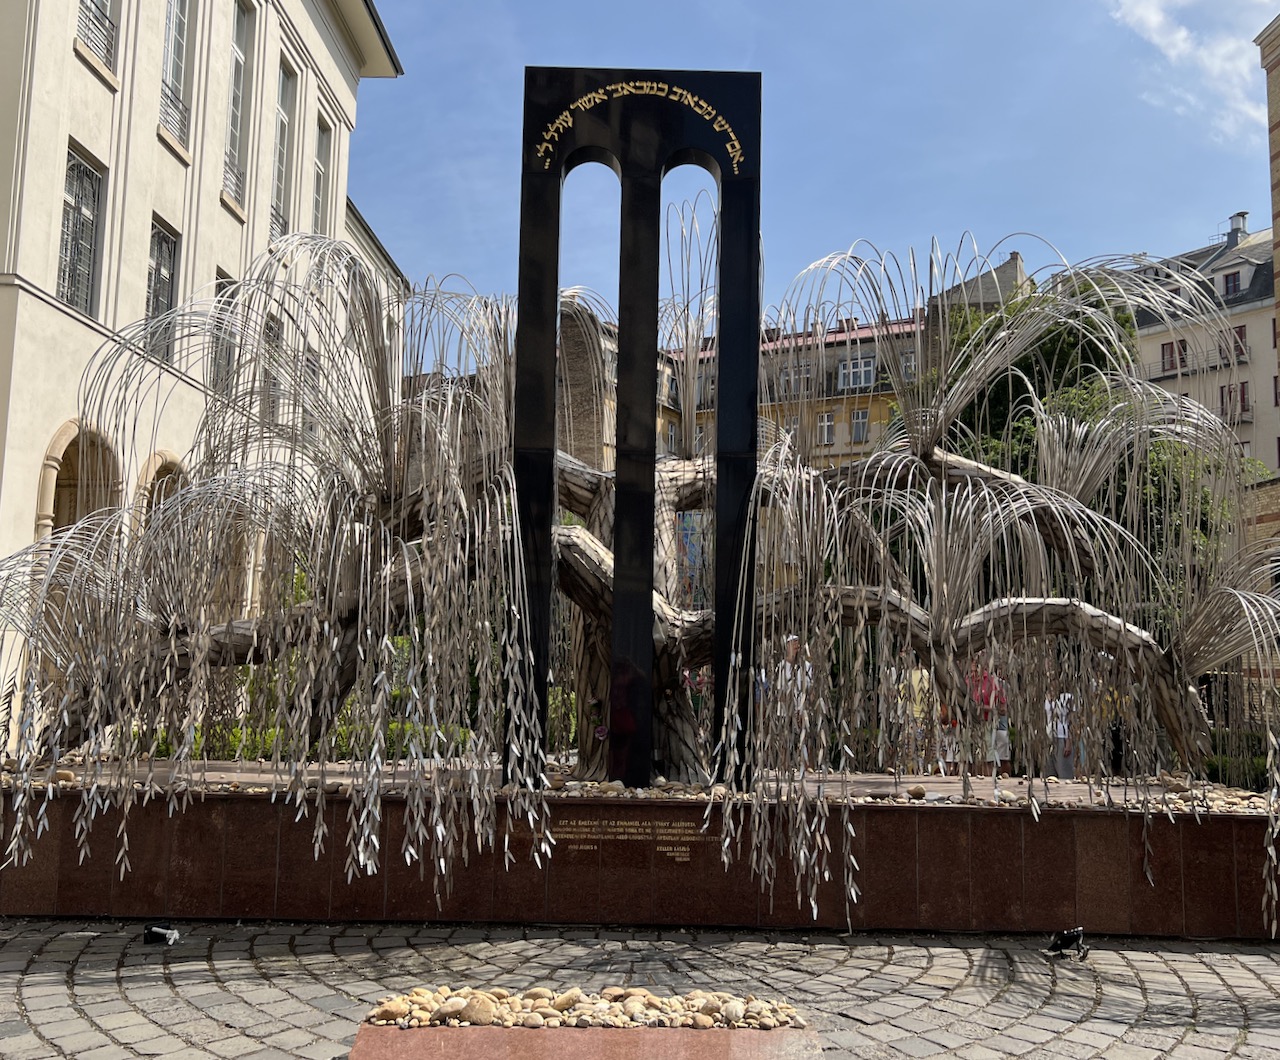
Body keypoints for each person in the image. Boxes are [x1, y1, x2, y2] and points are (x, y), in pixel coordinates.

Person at [776, 635, 814, 770]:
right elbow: (781, 691)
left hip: (802, 707)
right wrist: (791, 709)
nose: (795, 647)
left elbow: (810, 689)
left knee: (806, 736)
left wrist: (803, 707)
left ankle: (807, 764)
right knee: (785, 738)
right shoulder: (781, 666)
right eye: (792, 644)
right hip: (786, 709)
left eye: (797, 644)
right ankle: (784, 765)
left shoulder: (806, 667)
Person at [1044, 681, 1074, 780]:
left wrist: (1069, 741)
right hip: (1049, 738)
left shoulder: (1068, 697)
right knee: (1050, 775)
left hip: (1062, 737)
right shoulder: (1046, 696)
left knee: (1064, 773)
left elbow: (1073, 720)